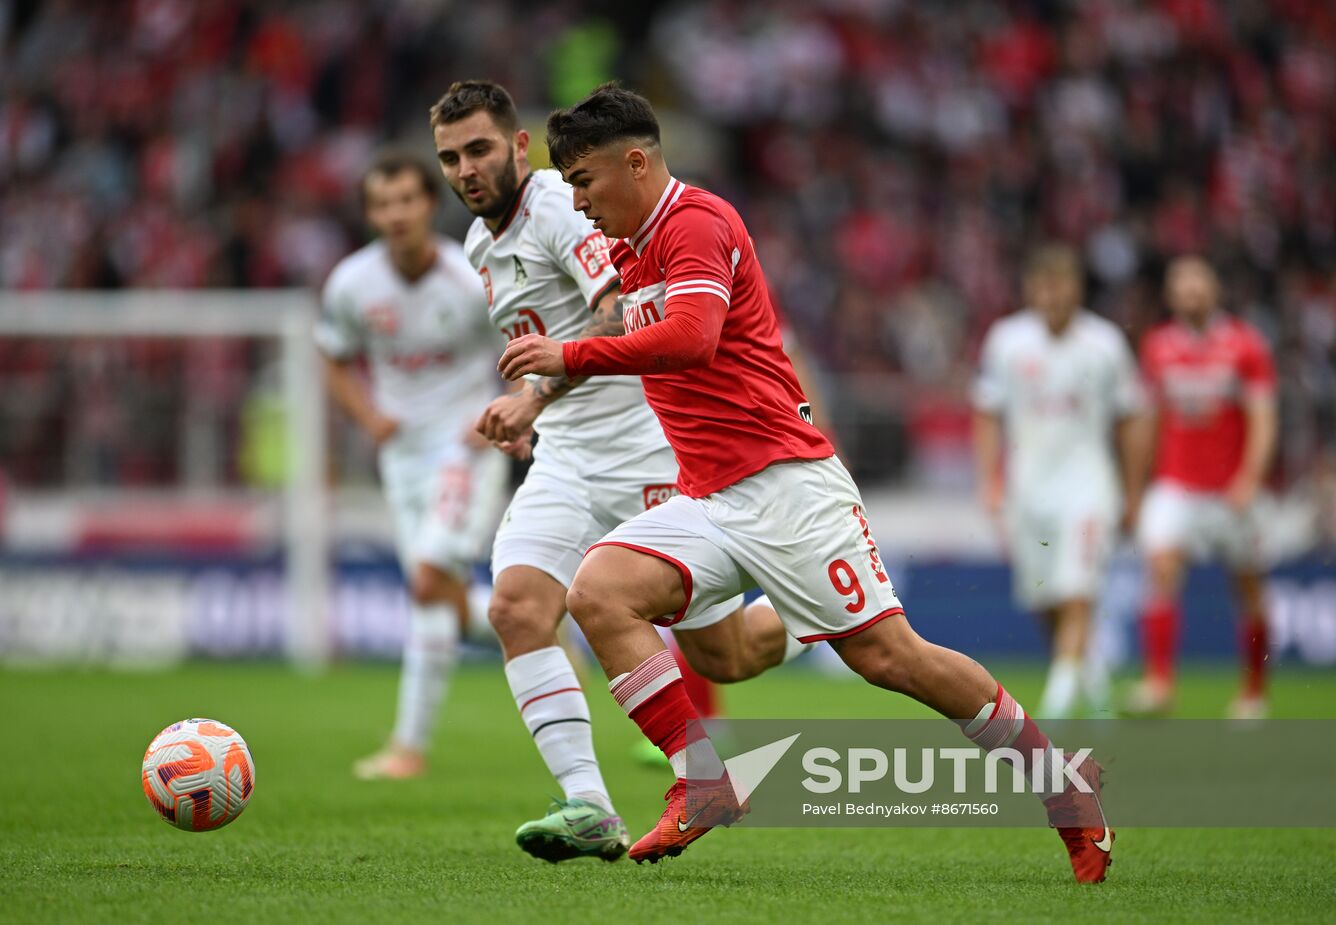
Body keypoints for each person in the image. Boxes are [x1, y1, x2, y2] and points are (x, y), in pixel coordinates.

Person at [498, 83, 1114, 883]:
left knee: (891, 659)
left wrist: (568, 355)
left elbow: (692, 338)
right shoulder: (628, 248)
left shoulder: (696, 223)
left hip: (788, 487)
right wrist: (537, 395)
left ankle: (1062, 785)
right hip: (708, 496)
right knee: (606, 594)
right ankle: (704, 778)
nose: (578, 202)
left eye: (585, 181)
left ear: (637, 164)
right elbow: (621, 326)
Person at [431, 80, 806, 864]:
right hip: (567, 458)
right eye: (451, 157)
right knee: (516, 607)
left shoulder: (563, 207)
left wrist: (531, 397)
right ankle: (591, 806)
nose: (466, 169)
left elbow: (619, 307)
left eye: (480, 149)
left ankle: (817, 603)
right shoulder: (478, 246)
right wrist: (532, 412)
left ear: (519, 147)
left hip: (647, 448)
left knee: (726, 656)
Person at [316, 149, 508, 781]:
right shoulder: (351, 284)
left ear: (429, 204)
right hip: (401, 458)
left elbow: (522, 346)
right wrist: (369, 418)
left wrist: (503, 412)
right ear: (370, 214)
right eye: (382, 204)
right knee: (436, 596)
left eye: (406, 200)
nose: (396, 214)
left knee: (428, 583)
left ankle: (408, 747)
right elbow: (332, 357)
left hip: (465, 448)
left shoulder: (470, 278)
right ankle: (528, 619)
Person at [973, 245, 1148, 717]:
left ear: (1077, 288)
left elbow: (1132, 418)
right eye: (1043, 285)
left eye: (1061, 284)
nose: (1052, 295)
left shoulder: (1105, 344)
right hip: (1028, 489)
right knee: (1044, 599)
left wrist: (1133, 491)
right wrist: (989, 479)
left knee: (1077, 590)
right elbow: (987, 413)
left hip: (1088, 486)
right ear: (1030, 289)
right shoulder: (1007, 341)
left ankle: (1056, 708)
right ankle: (1089, 678)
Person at [1129, 256, 1278, 719]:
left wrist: (1250, 478)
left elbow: (1263, 419)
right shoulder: (1157, 346)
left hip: (1232, 489)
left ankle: (1253, 692)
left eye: (1198, 282)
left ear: (1215, 289)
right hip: (1176, 484)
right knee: (1161, 568)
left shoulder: (1245, 345)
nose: (1191, 291)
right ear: (1170, 294)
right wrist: (1135, 487)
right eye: (1182, 284)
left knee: (1248, 586)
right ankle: (1159, 684)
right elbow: (1149, 420)